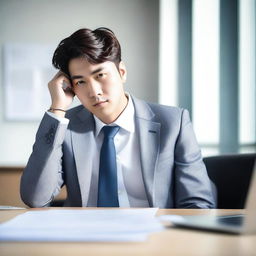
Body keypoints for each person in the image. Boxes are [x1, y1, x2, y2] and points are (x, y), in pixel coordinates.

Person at [20, 27, 216, 208]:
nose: (94, 91)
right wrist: (57, 109)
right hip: (83, 239)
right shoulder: (65, 127)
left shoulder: (174, 122)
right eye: (81, 82)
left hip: (156, 238)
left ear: (122, 72)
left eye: (100, 76)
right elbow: (35, 198)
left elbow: (198, 204)